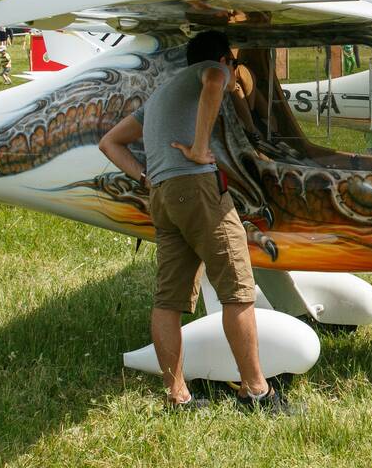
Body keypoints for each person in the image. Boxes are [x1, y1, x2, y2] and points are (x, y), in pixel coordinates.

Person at [98, 30, 284, 413]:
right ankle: (257, 394)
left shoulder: (162, 95)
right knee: (238, 290)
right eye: (232, 64)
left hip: (163, 198)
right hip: (198, 191)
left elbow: (110, 143)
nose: (231, 73)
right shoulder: (213, 70)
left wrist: (145, 176)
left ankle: (178, 397)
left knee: (168, 300)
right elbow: (216, 81)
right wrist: (201, 148)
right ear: (223, 60)